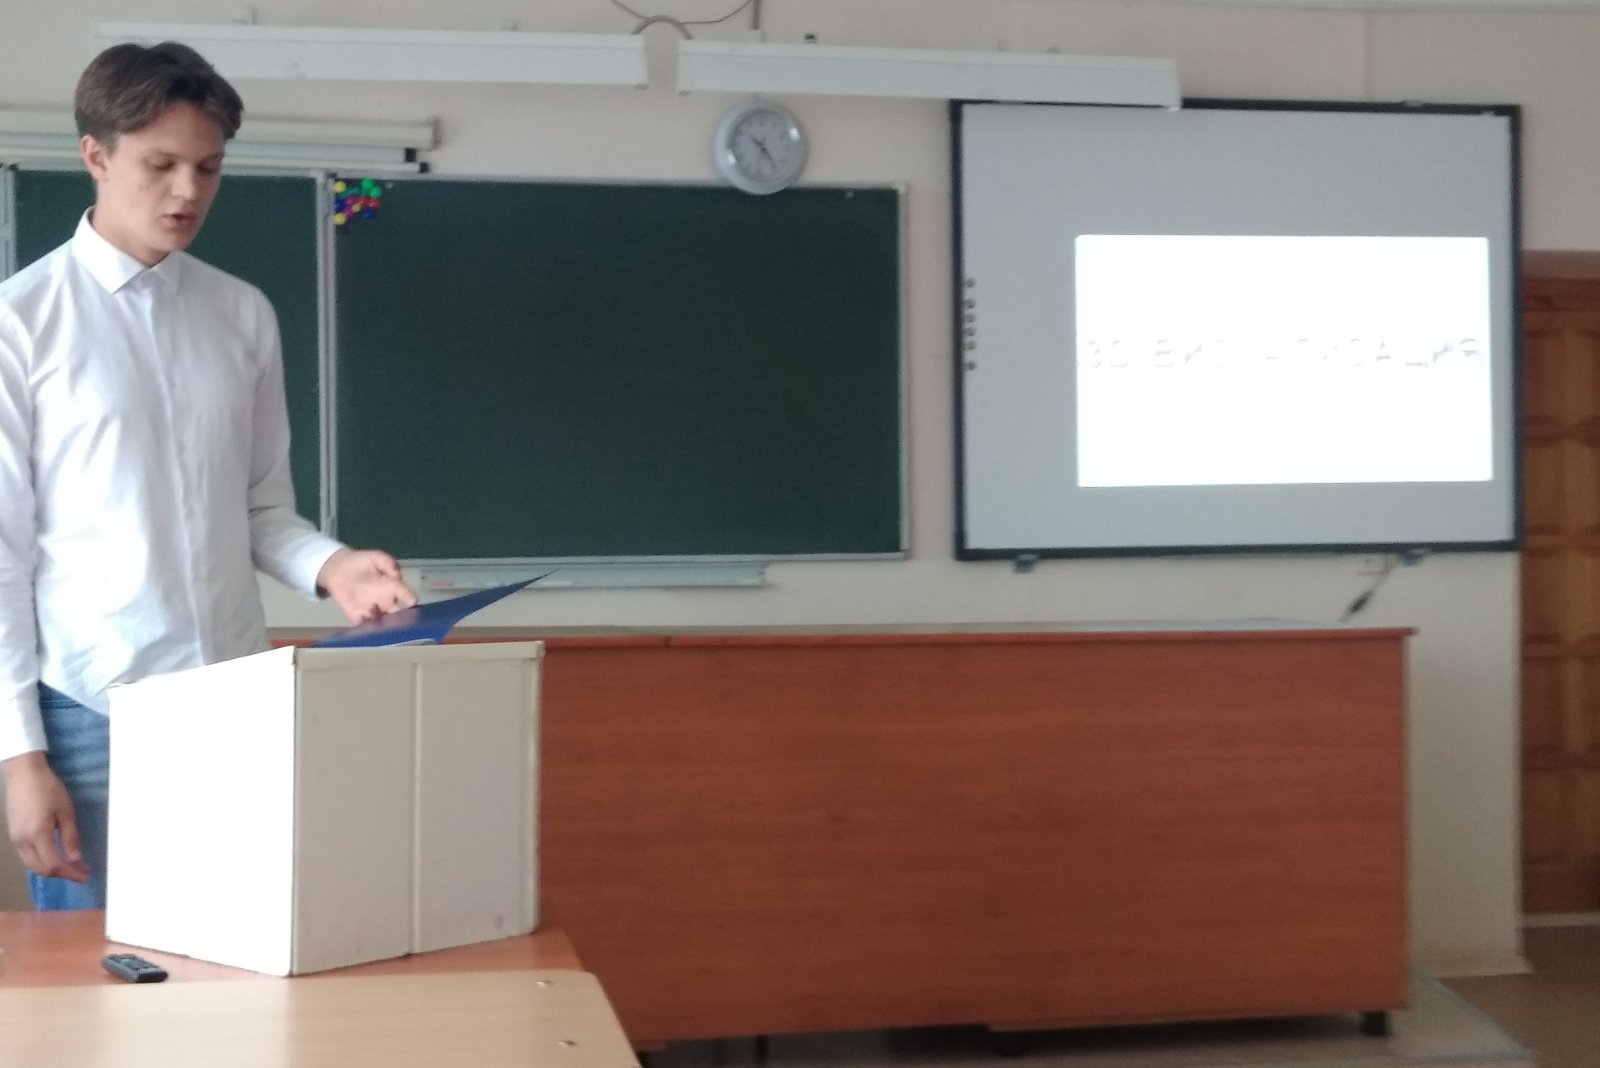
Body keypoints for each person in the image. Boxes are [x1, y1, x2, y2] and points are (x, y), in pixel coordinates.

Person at [0, 41, 419, 911]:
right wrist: (19, 756)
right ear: (95, 155)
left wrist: (335, 567)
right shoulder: (21, 325)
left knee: (243, 956)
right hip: (91, 714)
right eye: (161, 165)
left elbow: (263, 508)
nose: (187, 192)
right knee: (100, 979)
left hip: (236, 705)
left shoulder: (241, 314)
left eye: (209, 168)